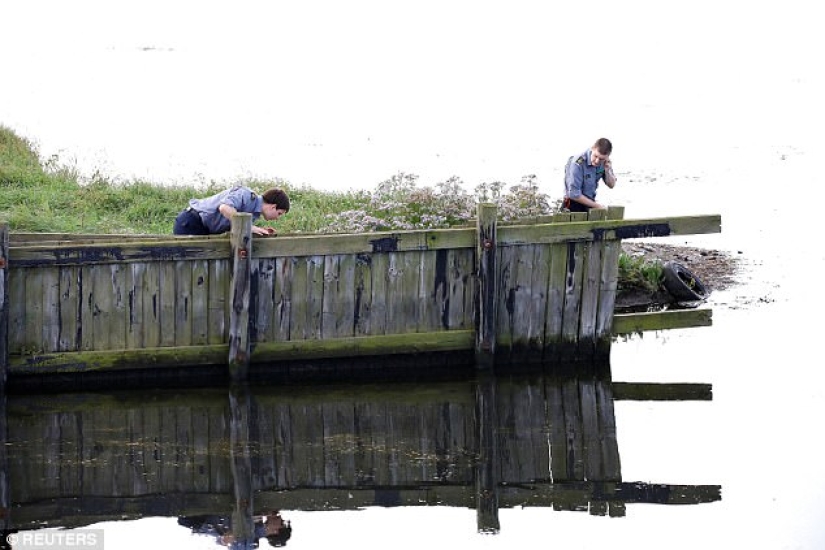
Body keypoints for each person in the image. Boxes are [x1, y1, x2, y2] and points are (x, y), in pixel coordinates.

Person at [173, 186, 290, 236]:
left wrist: (259, 231)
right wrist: (248, 227)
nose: (277, 218)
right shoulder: (246, 195)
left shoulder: (254, 213)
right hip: (191, 222)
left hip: (203, 228)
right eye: (279, 213)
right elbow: (224, 208)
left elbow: (236, 225)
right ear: (273, 206)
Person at [562, 137, 617, 212]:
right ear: (592, 148)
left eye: (601, 159)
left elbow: (611, 185)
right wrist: (598, 206)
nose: (597, 161)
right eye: (595, 156)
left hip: (590, 203)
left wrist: (607, 170)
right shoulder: (578, 162)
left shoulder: (605, 162)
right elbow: (574, 194)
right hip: (572, 205)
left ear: (607, 156)